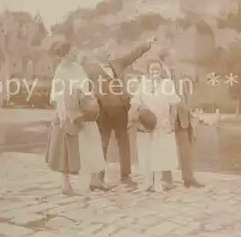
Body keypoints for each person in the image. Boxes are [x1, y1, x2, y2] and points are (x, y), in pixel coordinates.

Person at [84, 37, 155, 187]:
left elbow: (132, 56)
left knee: (124, 144)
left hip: (121, 109)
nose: (107, 52)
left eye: (106, 51)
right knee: (103, 144)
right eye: (104, 51)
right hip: (103, 112)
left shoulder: (117, 64)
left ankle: (125, 176)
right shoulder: (92, 71)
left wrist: (146, 44)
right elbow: (87, 89)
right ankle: (98, 178)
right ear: (97, 55)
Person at [45, 40, 108, 195]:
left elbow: (86, 86)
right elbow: (57, 97)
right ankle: (65, 185)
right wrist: (64, 117)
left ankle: (95, 179)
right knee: (65, 149)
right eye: (72, 52)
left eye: (75, 52)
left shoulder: (78, 67)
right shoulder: (60, 71)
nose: (75, 54)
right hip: (68, 113)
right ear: (64, 54)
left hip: (84, 110)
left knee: (92, 142)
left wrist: (89, 96)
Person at [128, 60, 180, 192]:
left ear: (161, 70)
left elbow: (174, 104)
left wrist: (171, 121)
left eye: (157, 69)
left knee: (159, 153)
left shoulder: (167, 84)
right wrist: (133, 118)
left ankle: (157, 182)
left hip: (161, 123)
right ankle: (146, 181)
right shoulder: (143, 84)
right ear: (148, 71)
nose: (155, 72)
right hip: (146, 123)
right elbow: (135, 101)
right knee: (145, 152)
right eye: (152, 69)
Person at [158, 48, 204, 189]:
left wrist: (190, 112)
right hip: (166, 117)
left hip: (182, 116)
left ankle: (188, 178)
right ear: (166, 57)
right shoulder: (156, 73)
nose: (176, 57)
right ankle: (167, 180)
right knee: (165, 148)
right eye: (173, 55)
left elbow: (183, 95)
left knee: (186, 149)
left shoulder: (177, 73)